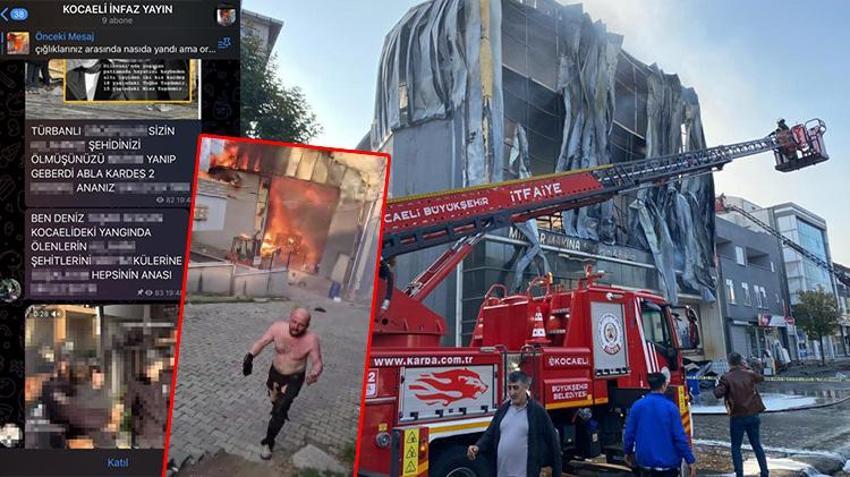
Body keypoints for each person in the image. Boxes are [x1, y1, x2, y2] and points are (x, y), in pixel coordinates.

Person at [243, 306, 323, 460]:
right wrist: (250, 356)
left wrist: (315, 372)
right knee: (275, 403)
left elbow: (317, 362)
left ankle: (269, 442)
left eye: (301, 325)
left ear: (307, 326)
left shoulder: (311, 340)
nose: (296, 327)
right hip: (275, 375)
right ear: (290, 318)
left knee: (280, 411)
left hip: (293, 378)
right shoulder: (277, 328)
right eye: (294, 322)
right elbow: (262, 341)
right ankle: (278, 410)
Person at [466, 370, 562, 477]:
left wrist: (553, 470)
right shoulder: (503, 409)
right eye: (509, 388)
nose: (512, 392)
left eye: (516, 388)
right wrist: (478, 447)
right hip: (502, 473)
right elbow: (490, 433)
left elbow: (552, 442)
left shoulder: (537, 411)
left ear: (526, 387)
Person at [623, 372, 696, 477]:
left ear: (649, 385)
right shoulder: (671, 408)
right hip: (668, 465)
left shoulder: (637, 406)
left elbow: (629, 433)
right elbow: (679, 437)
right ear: (664, 386)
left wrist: (627, 451)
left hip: (645, 462)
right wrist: (690, 460)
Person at [714, 352, 769, 477]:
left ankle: (739, 473)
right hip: (753, 414)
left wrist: (718, 384)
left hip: (737, 416)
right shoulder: (749, 374)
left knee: (736, 447)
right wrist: (748, 367)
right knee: (757, 445)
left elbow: (718, 393)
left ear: (729, 363)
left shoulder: (726, 377)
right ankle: (765, 472)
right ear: (741, 361)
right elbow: (761, 378)